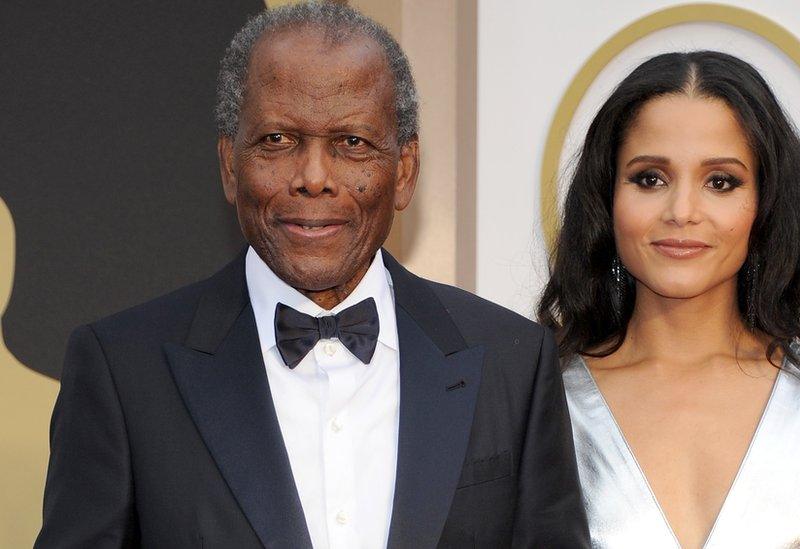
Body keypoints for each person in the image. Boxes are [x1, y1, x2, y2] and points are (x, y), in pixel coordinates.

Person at [36, 3, 588, 548]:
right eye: (278, 140)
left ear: (404, 171)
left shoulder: (510, 363)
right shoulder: (123, 371)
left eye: (352, 143)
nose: (314, 178)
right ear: (231, 166)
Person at [538, 51, 800, 548]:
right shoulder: (537, 405)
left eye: (720, 182)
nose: (682, 211)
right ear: (606, 198)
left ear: (764, 205)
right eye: (650, 178)